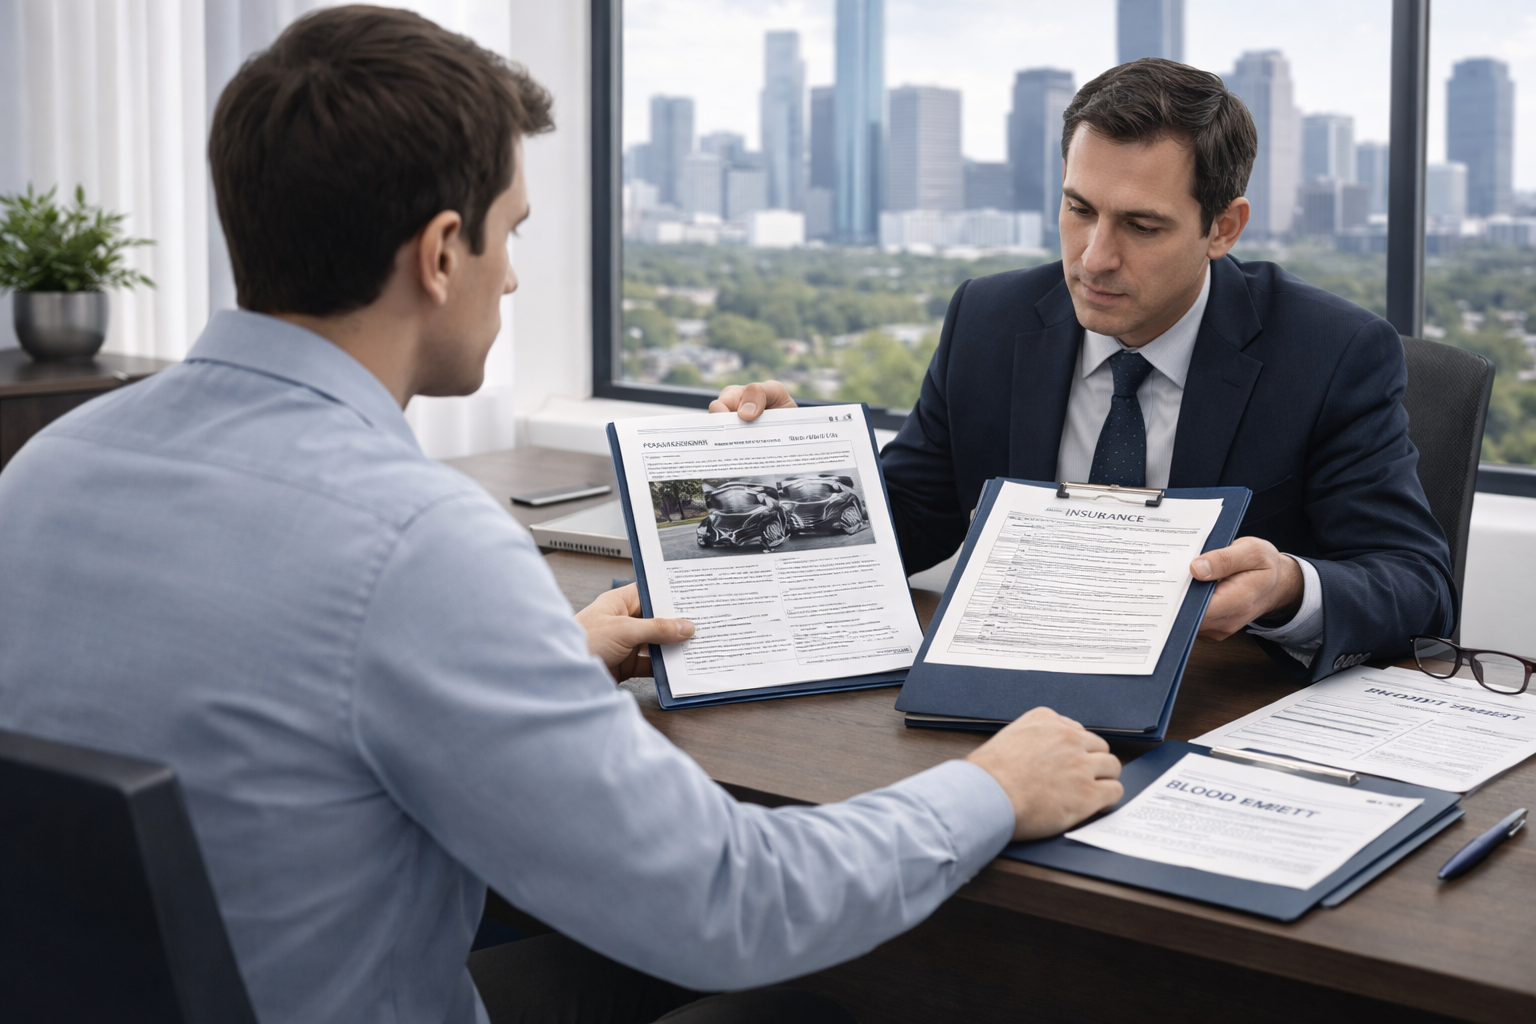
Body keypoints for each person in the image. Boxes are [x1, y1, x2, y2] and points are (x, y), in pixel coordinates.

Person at [0, 8, 1122, 1024]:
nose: (513, 279)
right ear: (442, 253)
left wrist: (536, 660)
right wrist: (992, 786)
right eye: (513, 233)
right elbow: (733, 904)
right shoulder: (414, 545)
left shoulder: (48, 470)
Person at [715, 59, 1454, 679]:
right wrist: (794, 461)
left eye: (1141, 225)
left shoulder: (1331, 352)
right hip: (1010, 688)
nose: (1094, 258)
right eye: (1078, 209)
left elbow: (1418, 586)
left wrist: (1287, 586)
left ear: (1222, 228)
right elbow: (912, 514)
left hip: (1215, 708)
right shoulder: (988, 319)